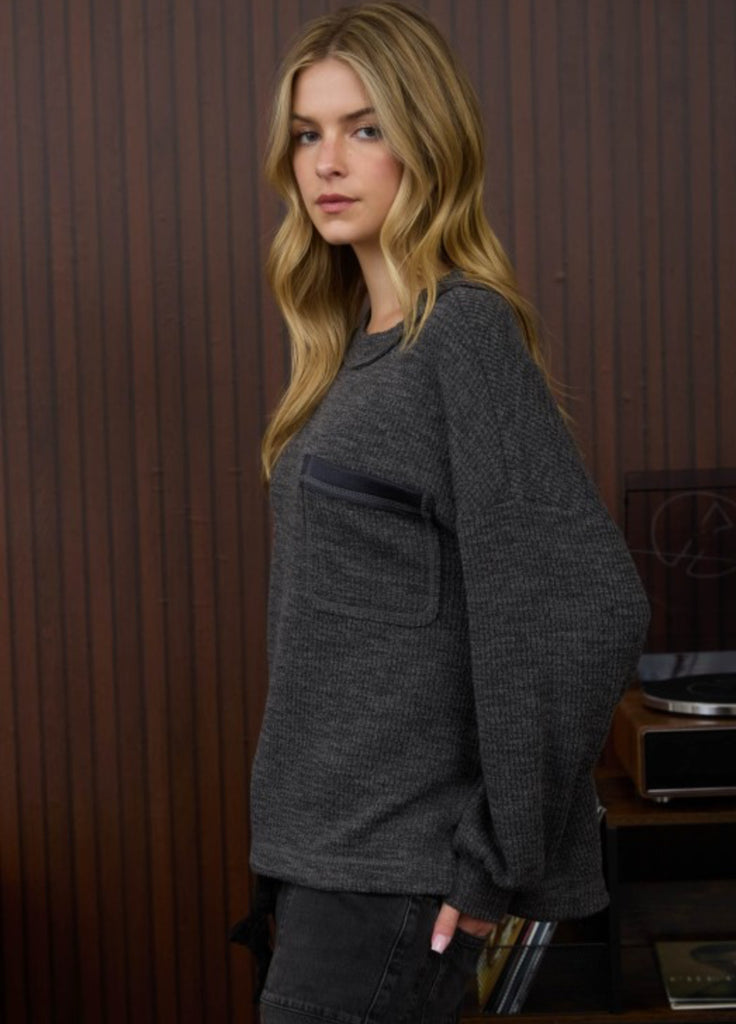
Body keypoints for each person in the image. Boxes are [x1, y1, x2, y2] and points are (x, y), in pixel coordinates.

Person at [235, 2, 651, 1020]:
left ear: (427, 141)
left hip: (396, 872)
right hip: (321, 858)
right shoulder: (348, 356)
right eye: (308, 134)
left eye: (365, 128)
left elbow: (592, 604)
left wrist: (492, 857)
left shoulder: (461, 336)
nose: (329, 162)